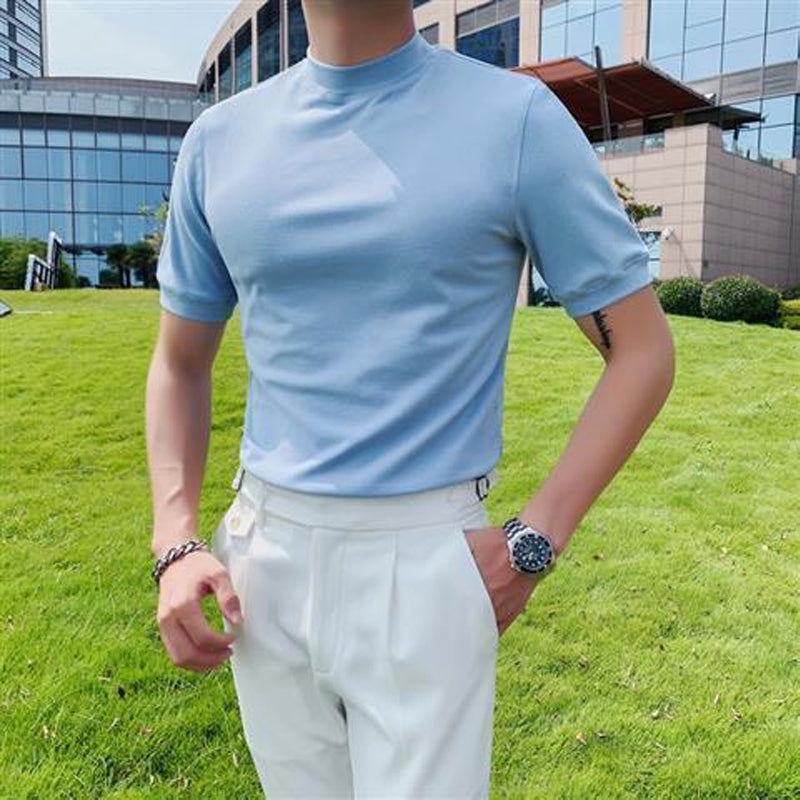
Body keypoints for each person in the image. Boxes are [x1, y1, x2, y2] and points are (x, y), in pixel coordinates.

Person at [145, 1, 675, 797]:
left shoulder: (514, 121)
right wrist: (176, 541)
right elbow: (180, 363)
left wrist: (535, 540)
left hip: (428, 561)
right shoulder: (219, 143)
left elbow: (641, 349)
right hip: (263, 559)